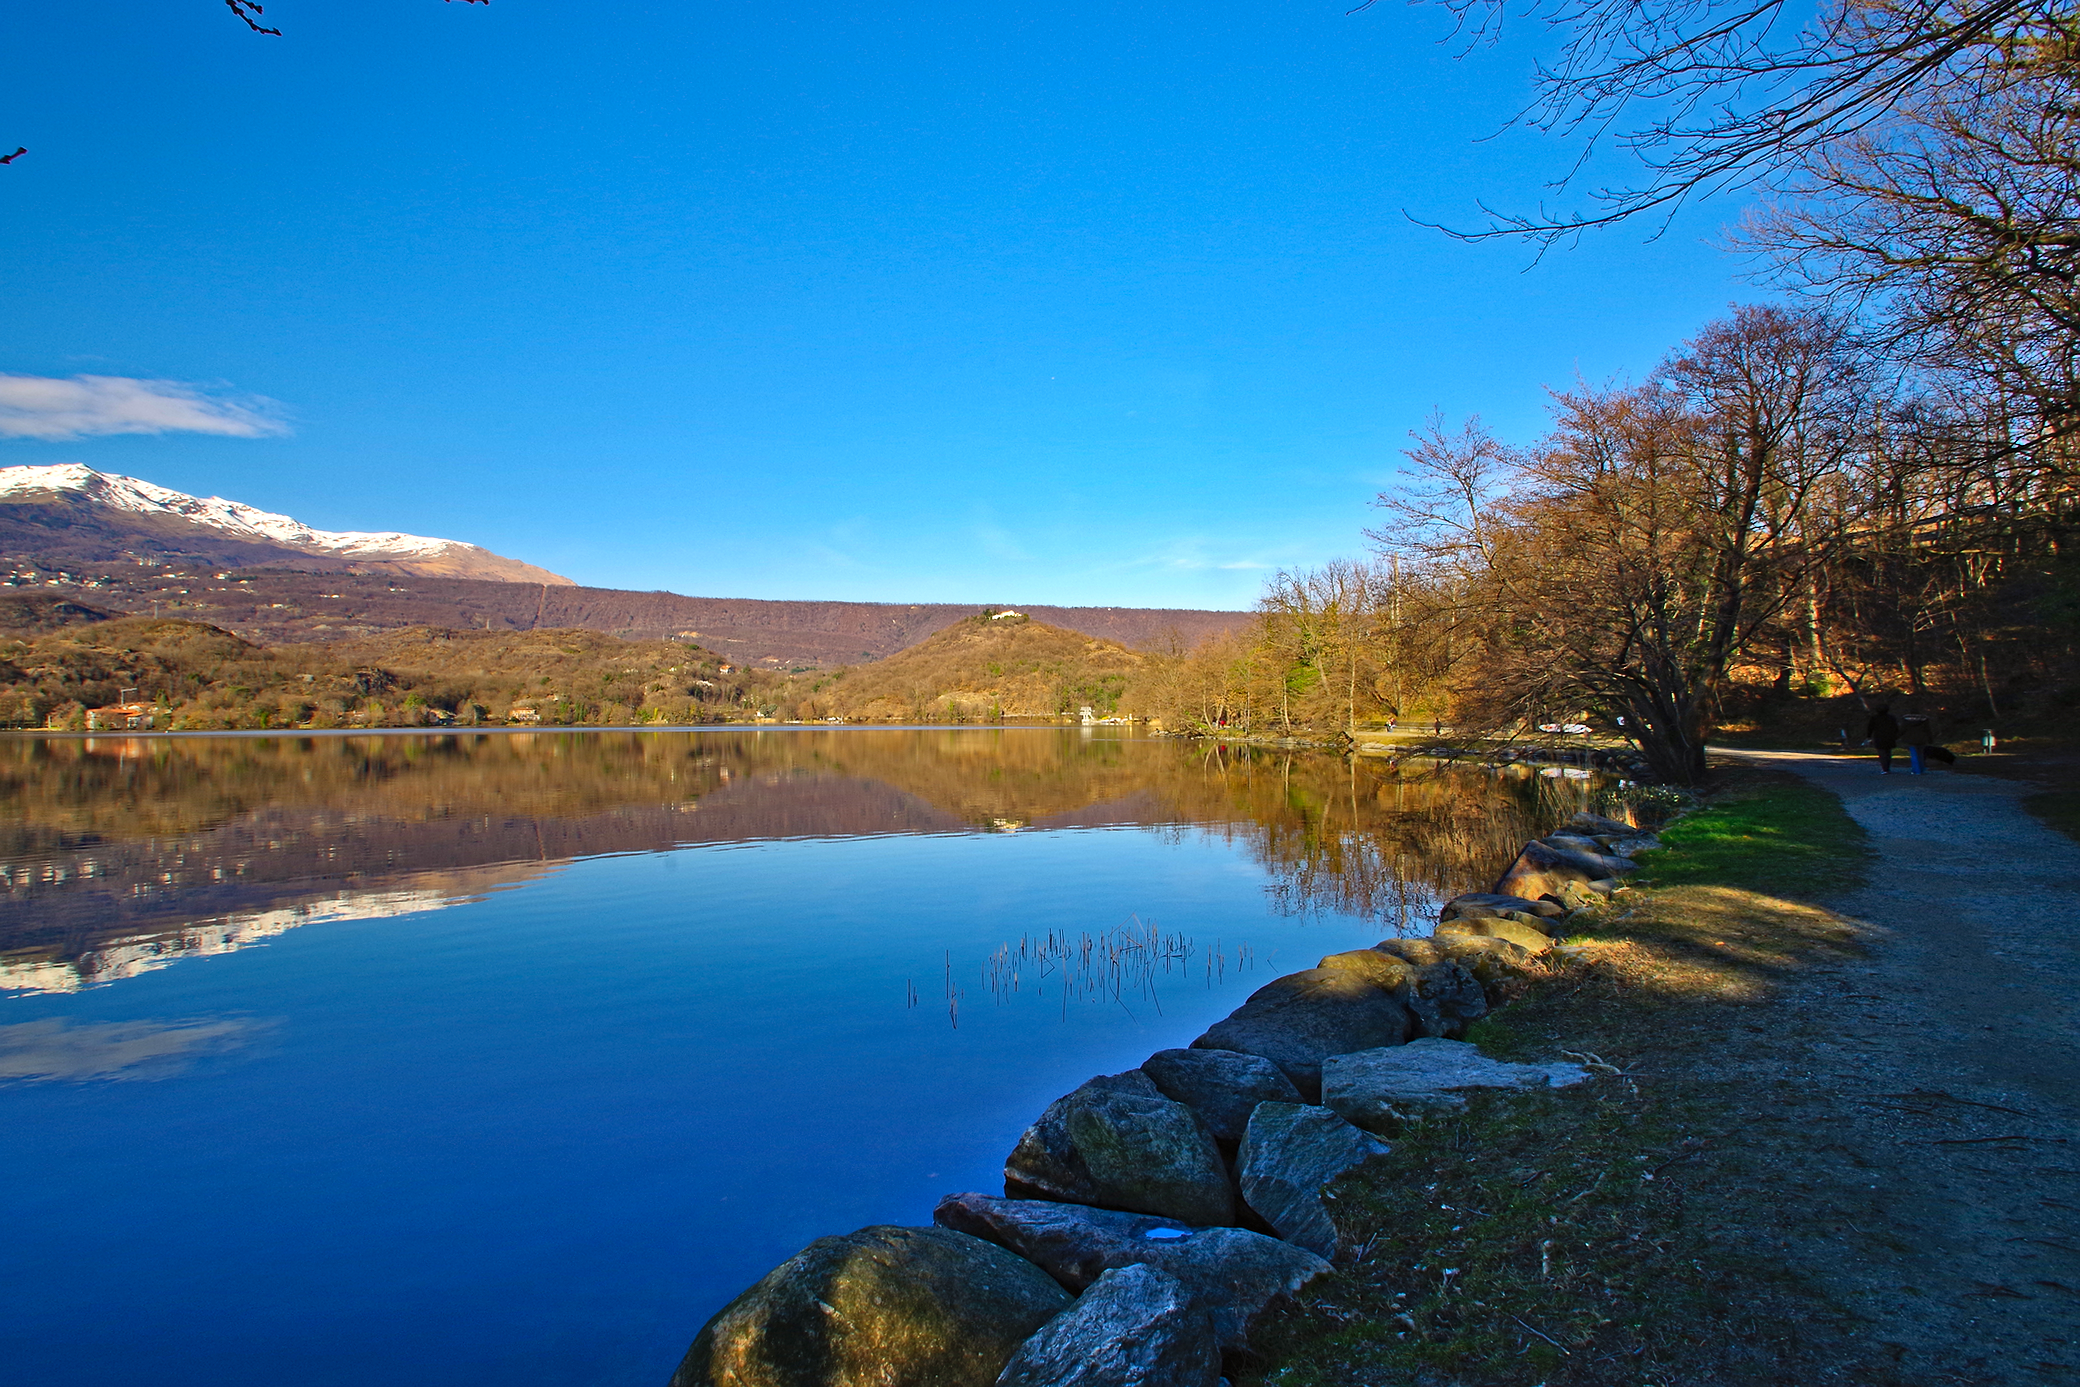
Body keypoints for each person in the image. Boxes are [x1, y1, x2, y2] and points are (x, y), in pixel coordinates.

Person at [1865, 703, 1899, 774]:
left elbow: (1870, 728)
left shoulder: (1875, 718)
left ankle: (1884, 768)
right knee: (1888, 753)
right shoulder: (1891, 718)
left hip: (1879, 737)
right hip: (1890, 737)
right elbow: (1896, 727)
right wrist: (1896, 736)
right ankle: (1887, 767)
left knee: (1882, 753)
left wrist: (1869, 736)